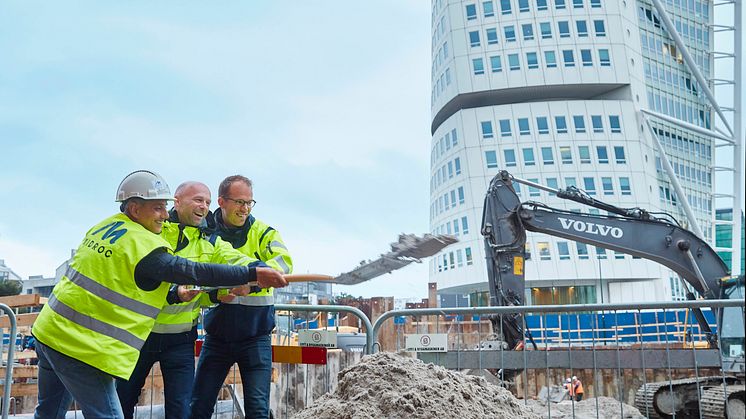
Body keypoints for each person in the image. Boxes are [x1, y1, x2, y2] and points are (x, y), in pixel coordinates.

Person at [32, 170, 287, 419]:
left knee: (48, 413)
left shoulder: (105, 225)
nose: (165, 215)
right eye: (158, 208)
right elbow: (191, 270)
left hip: (50, 330)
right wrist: (250, 274)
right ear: (134, 209)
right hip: (78, 344)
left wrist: (249, 273)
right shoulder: (143, 243)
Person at [116, 181, 263, 419]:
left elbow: (233, 258)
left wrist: (258, 269)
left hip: (180, 340)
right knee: (121, 403)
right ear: (176, 201)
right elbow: (137, 281)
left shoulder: (209, 241)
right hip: (140, 335)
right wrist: (175, 294)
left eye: (206, 202)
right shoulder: (153, 230)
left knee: (181, 411)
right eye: (197, 200)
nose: (203, 206)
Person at [190, 175, 292, 419]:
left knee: (257, 410)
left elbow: (283, 265)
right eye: (239, 202)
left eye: (249, 202)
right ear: (222, 202)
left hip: (255, 338)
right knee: (198, 406)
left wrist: (252, 284)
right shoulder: (203, 234)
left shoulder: (264, 233)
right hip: (218, 338)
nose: (245, 208)